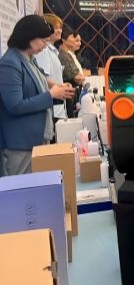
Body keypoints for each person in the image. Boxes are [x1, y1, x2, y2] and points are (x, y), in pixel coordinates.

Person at [0, 15, 75, 176]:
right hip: (21, 145)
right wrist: (50, 95)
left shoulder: (29, 59)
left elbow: (38, 84)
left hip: (37, 139)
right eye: (42, 40)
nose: (45, 45)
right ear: (29, 37)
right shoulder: (10, 63)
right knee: (23, 188)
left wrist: (58, 90)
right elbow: (15, 106)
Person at [34, 14, 67, 126]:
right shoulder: (43, 50)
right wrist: (60, 87)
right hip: (52, 103)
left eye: (60, 28)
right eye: (56, 27)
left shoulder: (52, 50)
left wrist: (62, 86)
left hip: (57, 104)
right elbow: (42, 78)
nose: (59, 30)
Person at [59, 27, 85, 117]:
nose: (74, 40)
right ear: (63, 39)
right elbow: (77, 77)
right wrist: (79, 77)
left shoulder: (70, 54)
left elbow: (80, 76)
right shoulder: (62, 55)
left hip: (73, 93)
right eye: (72, 37)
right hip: (68, 93)